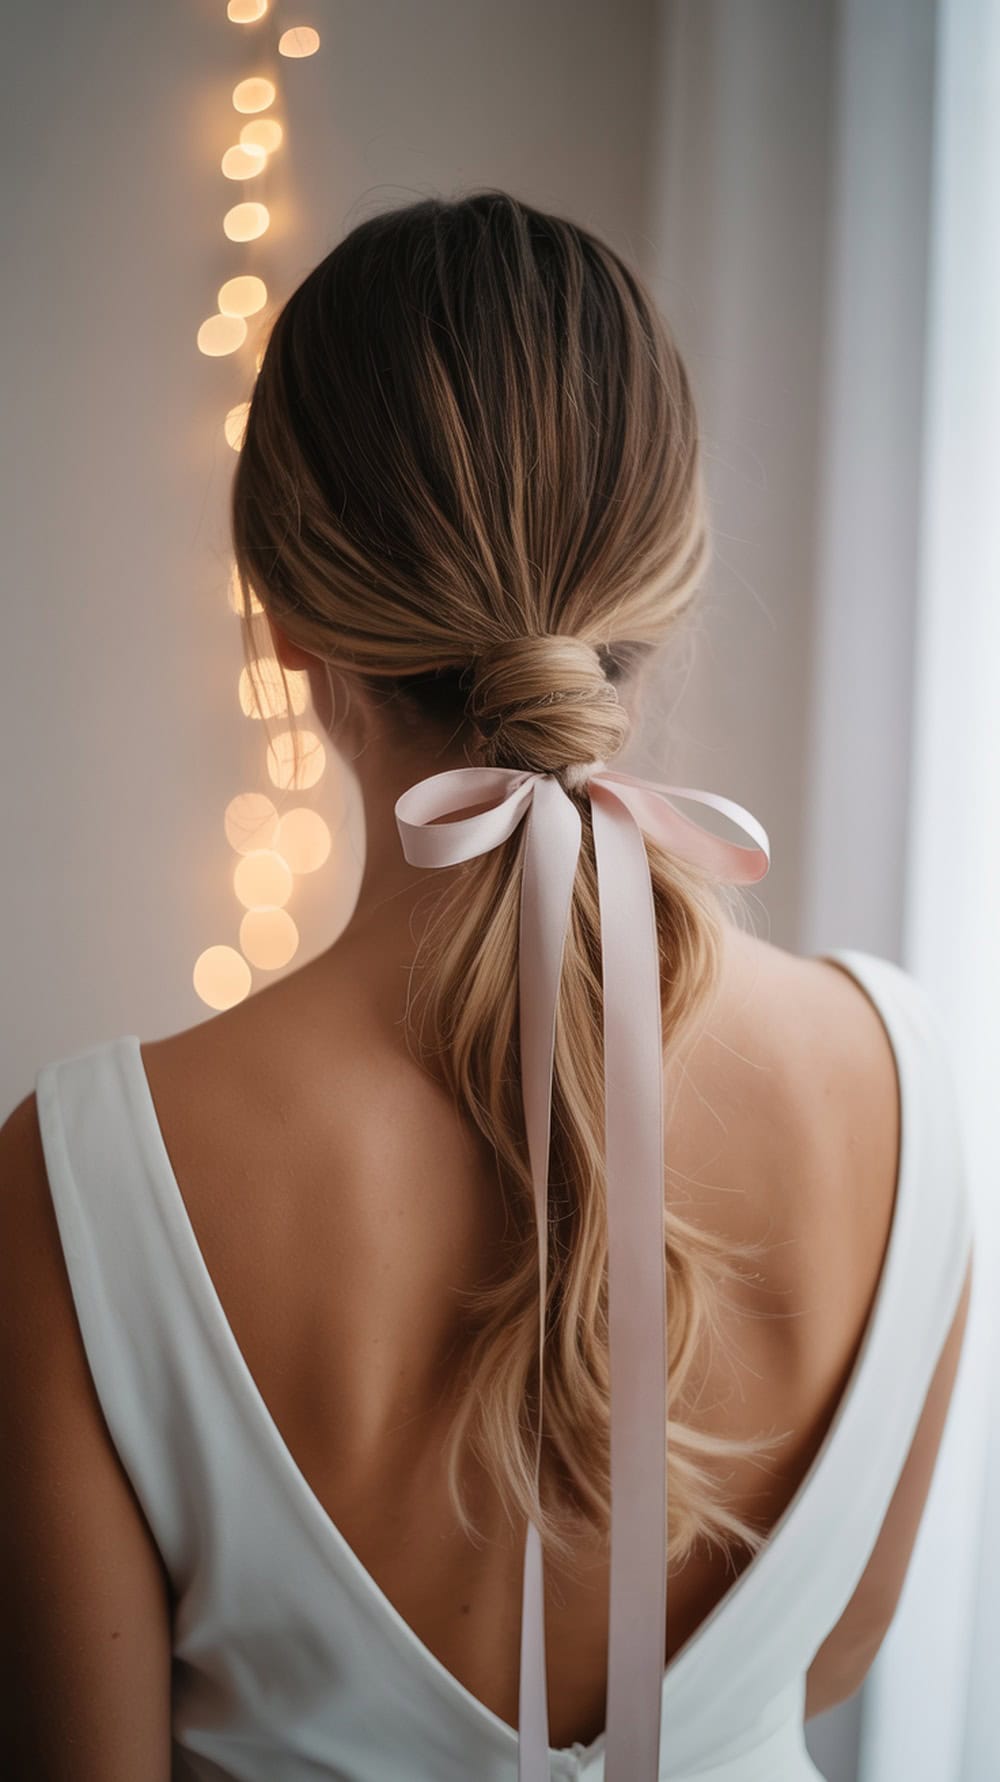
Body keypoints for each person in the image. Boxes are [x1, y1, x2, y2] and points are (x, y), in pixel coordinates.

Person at [0, 191, 974, 1780]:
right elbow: (836, 1651)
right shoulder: (908, 1080)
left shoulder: (82, 1181)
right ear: (668, 579)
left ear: (288, 620)